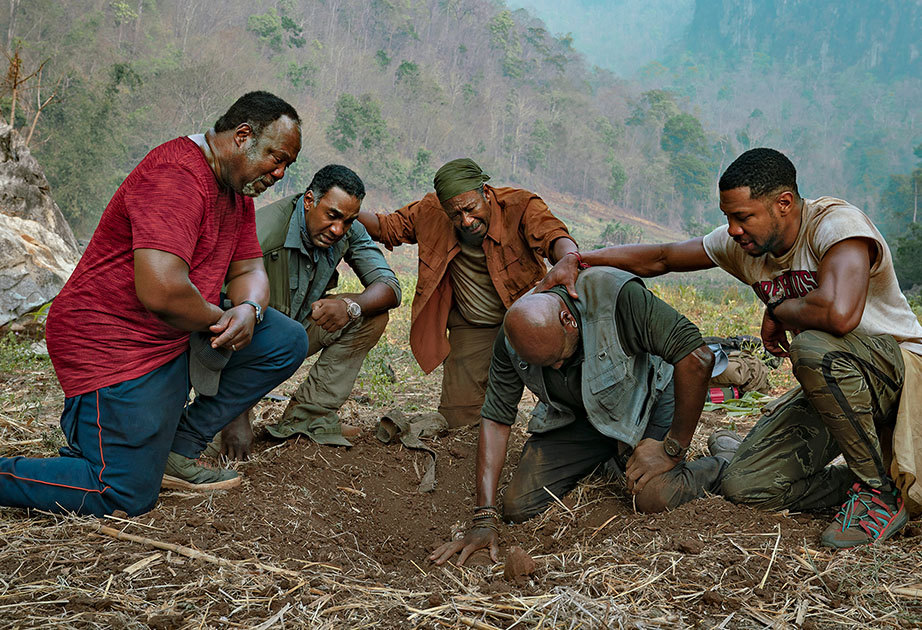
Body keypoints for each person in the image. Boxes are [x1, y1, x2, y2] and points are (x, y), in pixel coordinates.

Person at [537, 148, 922, 549]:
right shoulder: (745, 245)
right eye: (728, 217)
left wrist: (781, 310)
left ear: (783, 203)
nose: (733, 229)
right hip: (837, 390)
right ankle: (866, 482)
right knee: (746, 486)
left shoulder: (836, 226)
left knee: (814, 349)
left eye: (742, 216)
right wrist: (579, 259)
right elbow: (662, 258)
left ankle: (879, 494)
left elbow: (840, 315)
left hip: (899, 371)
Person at [0, 91, 309, 517]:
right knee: (122, 492)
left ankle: (176, 451)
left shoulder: (237, 193)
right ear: (242, 136)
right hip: (112, 339)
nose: (279, 172)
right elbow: (161, 291)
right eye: (276, 157)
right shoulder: (176, 175)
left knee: (285, 339)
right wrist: (222, 318)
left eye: (287, 165)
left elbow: (249, 271)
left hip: (172, 334)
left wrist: (250, 310)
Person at [430, 266, 740, 566]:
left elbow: (698, 358)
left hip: (650, 398)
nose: (555, 370)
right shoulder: (514, 336)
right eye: (545, 366)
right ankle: (613, 456)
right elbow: (497, 418)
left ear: (568, 320)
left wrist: (672, 448)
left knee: (652, 497)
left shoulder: (617, 297)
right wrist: (484, 516)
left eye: (558, 359)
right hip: (582, 415)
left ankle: (726, 461)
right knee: (518, 505)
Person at [358, 158, 578, 428]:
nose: (466, 220)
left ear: (485, 193)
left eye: (471, 209)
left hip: (529, 320)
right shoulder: (430, 211)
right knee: (458, 420)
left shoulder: (520, 206)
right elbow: (385, 228)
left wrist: (568, 258)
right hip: (474, 326)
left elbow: (552, 235)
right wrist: (346, 209)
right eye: (456, 215)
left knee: (567, 404)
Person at [213, 165, 401, 458]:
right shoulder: (262, 235)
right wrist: (236, 414)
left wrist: (352, 307)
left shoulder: (347, 231)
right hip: (244, 345)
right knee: (207, 443)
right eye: (332, 216)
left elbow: (389, 286)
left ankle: (308, 417)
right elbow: (223, 324)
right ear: (310, 200)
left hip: (293, 333)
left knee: (371, 313)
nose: (339, 229)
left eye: (348, 221)